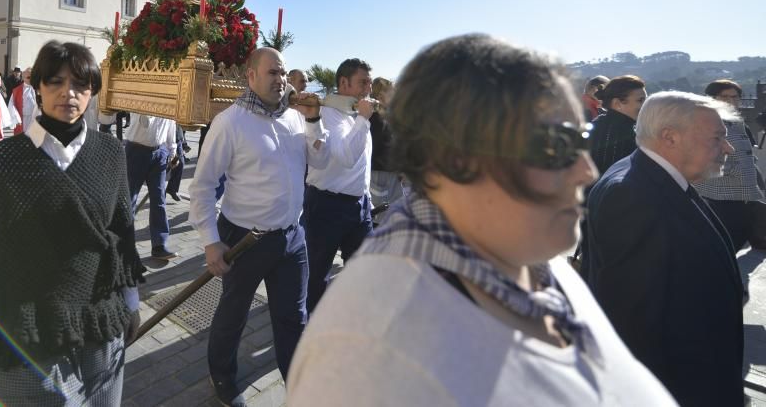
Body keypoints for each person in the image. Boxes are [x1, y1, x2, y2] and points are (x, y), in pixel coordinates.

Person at [287, 34, 675, 406]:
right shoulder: (369, 352)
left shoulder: (533, 258)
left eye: (582, 137)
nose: (588, 171)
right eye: (558, 144)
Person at [0, 41, 144, 406]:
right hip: (29, 333)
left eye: (80, 85)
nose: (68, 93)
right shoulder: (3, 160)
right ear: (36, 86)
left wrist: (131, 304)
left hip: (100, 329)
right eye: (55, 82)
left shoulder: (110, 153)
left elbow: (121, 236)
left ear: (93, 92)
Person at [583, 91, 743, 405]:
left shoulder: (652, 178)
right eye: (717, 137)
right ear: (669, 137)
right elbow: (633, 324)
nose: (728, 147)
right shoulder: (631, 195)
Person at [190, 47, 328, 407]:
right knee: (233, 315)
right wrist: (210, 242)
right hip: (244, 240)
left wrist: (314, 121)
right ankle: (221, 374)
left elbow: (321, 161)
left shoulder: (297, 119)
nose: (280, 80)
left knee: (293, 317)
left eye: (283, 72)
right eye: (272, 73)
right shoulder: (230, 123)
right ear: (251, 76)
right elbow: (203, 186)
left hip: (292, 237)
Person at [304, 57, 375, 313]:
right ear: (344, 83)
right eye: (362, 82)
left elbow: (361, 165)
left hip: (359, 207)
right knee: (317, 274)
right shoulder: (328, 113)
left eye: (370, 82)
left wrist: (366, 197)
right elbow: (346, 157)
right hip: (327, 206)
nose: (369, 88)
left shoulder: (355, 115)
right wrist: (364, 120)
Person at [692, 79, 766, 252]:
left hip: (741, 194)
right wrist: (736, 171)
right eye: (725, 97)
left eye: (735, 97)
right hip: (718, 195)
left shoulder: (736, 122)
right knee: (723, 245)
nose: (731, 101)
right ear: (711, 98)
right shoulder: (705, 123)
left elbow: (746, 154)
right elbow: (703, 157)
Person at [124, 112, 179, 258]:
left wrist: (172, 151)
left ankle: (159, 245)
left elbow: (170, 123)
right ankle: (121, 244)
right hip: (136, 150)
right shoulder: (144, 92)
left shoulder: (172, 97)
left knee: (159, 200)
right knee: (129, 199)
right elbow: (144, 120)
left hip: (159, 152)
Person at [588, 74, 646, 175]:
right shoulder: (628, 133)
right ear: (617, 104)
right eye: (640, 100)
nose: (645, 105)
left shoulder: (596, 125)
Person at [368, 76, 403, 213]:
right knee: (380, 217)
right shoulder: (374, 118)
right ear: (380, 96)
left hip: (389, 175)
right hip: (379, 177)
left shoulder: (387, 116)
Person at [7, 67, 39, 135]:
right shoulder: (17, 90)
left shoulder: (40, 88)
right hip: (23, 119)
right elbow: (11, 105)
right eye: (29, 77)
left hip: (36, 119)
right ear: (23, 77)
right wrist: (16, 118)